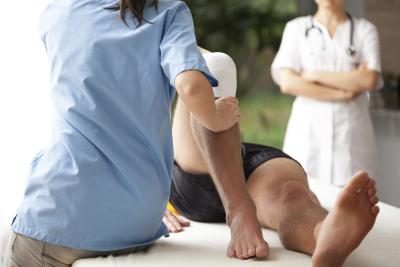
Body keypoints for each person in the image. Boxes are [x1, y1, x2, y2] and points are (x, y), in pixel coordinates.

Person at [2, 0, 241, 266]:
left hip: (60, 218)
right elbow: (192, 87)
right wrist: (217, 117)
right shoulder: (168, 12)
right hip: (138, 221)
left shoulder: (59, 10)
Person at [163, 49, 380, 266]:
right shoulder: (150, 36)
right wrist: (142, 200)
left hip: (245, 157)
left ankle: (322, 234)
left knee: (291, 194)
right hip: (194, 170)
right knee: (212, 66)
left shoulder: (167, 25)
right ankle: (238, 211)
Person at [271, 0, 383, 186]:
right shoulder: (296, 29)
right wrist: (344, 93)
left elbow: (369, 79)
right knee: (305, 199)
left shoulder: (365, 30)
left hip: (352, 140)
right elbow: (289, 83)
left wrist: (312, 74)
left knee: (354, 201)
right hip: (308, 137)